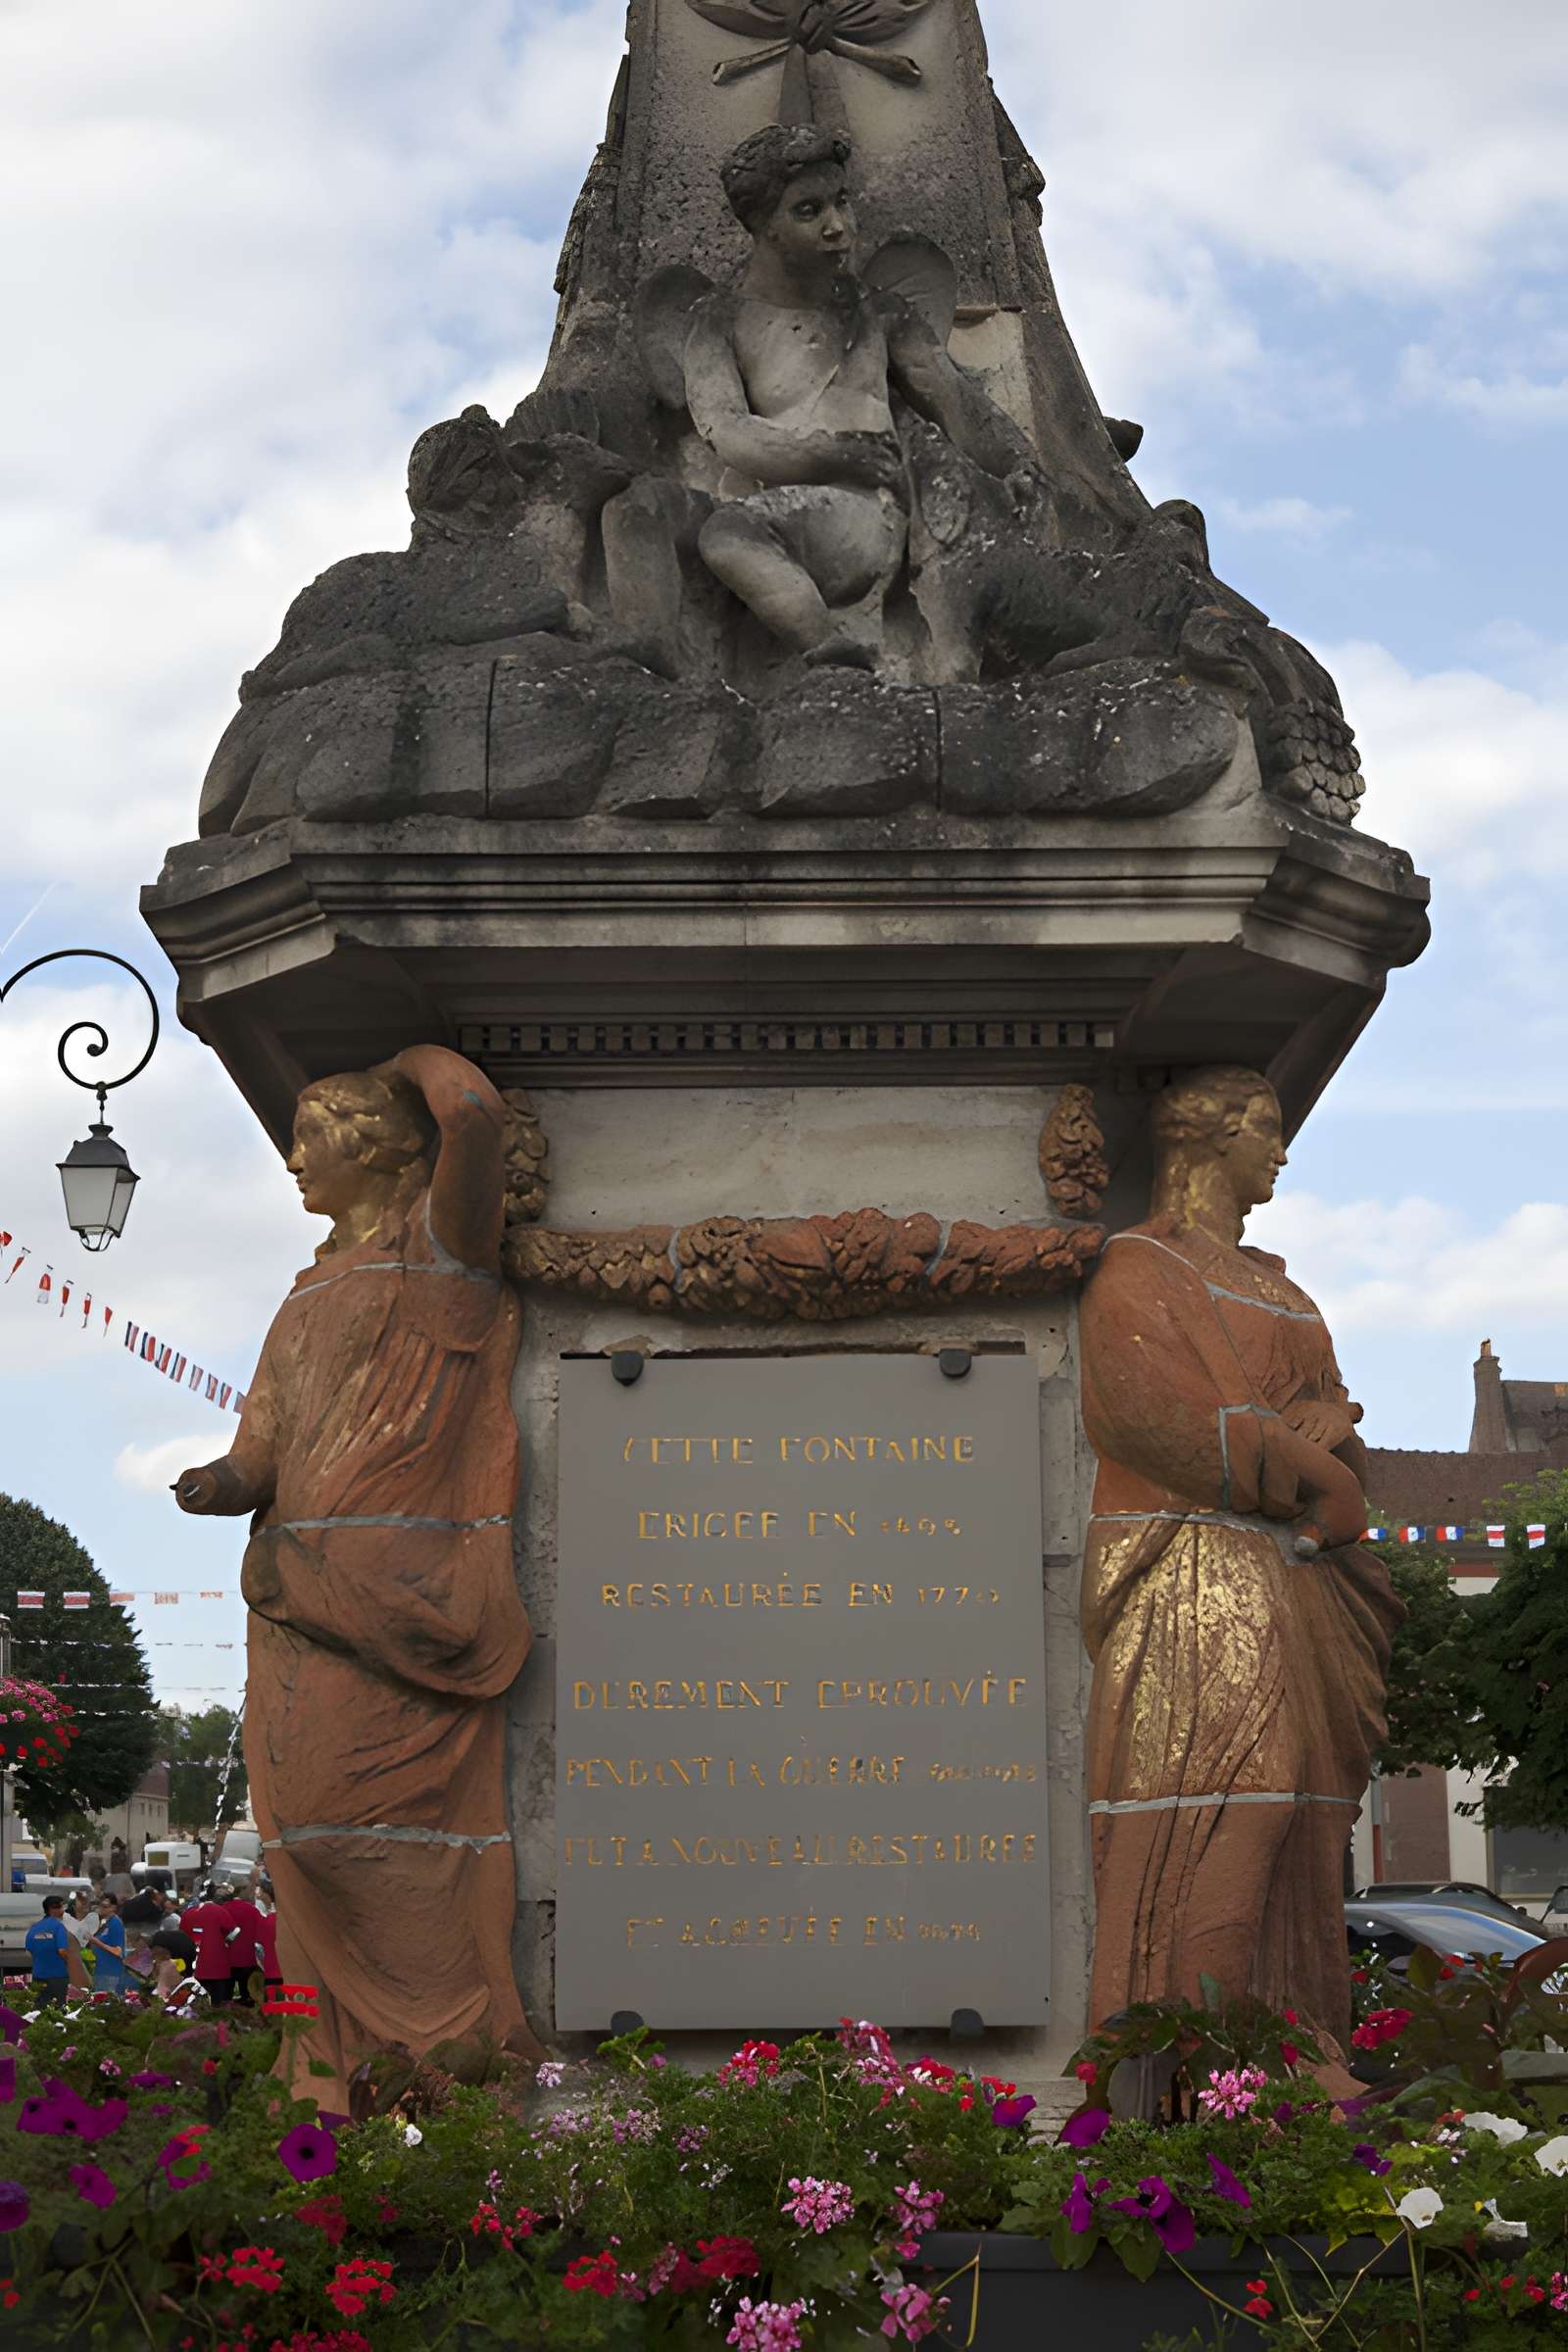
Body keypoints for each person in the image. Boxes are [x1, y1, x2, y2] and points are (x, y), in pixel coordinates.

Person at [172, 1045, 539, 2110]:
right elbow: (263, 1444)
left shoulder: (442, 1257)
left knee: (369, 1828)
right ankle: (338, 2082)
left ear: (374, 1144)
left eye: (309, 1137)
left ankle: (446, 2048)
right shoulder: (304, 1295)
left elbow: (472, 1113)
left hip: (397, 1598)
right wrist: (224, 1480)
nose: (293, 1162)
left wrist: (400, 1058)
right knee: (304, 1832)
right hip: (295, 1597)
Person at [1078, 1066, 1403, 2062]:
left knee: (1302, 1808)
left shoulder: (1283, 1287)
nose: (1281, 1150)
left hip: (1301, 1576)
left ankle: (1287, 2048)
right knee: (1244, 1790)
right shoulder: (1137, 1268)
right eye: (1264, 1126)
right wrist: (1315, 1470)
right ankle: (1191, 2052)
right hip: (1195, 1567)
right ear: (1205, 1137)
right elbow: (1155, 1420)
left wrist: (1335, 1444)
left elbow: (1332, 1412)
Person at [677, 124, 1043, 672]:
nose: (838, 226)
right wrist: (837, 452)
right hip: (790, 499)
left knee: (731, 533)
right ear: (763, 226)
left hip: (866, 514)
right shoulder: (716, 321)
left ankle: (829, 653)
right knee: (690, 525)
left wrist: (1019, 463)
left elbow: (954, 400)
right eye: (809, 211)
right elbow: (727, 431)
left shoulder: (878, 311)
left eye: (842, 202)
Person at [24, 1896, 74, 2007]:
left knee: (39, 2008)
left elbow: (28, 1952)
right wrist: (70, 1962)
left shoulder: (34, 1928)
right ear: (53, 1909)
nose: (64, 1910)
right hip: (58, 1977)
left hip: (38, 1976)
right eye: (62, 1907)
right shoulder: (58, 1927)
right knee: (59, 2008)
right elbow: (62, 1951)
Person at [86, 1893, 126, 1998]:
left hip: (111, 1973)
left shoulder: (115, 1924)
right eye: (100, 1905)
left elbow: (118, 1951)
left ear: (113, 1908)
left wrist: (95, 1941)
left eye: (104, 1906)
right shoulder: (104, 1924)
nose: (101, 1909)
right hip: (101, 1971)